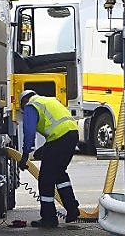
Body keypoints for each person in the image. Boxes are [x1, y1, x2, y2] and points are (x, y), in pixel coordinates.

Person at [18, 88, 80, 228]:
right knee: (59, 173)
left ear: (24, 100)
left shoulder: (31, 105)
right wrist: (44, 149)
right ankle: (72, 209)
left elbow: (29, 131)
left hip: (59, 138)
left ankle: (49, 218)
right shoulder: (49, 100)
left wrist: (25, 155)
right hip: (72, 134)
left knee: (45, 179)